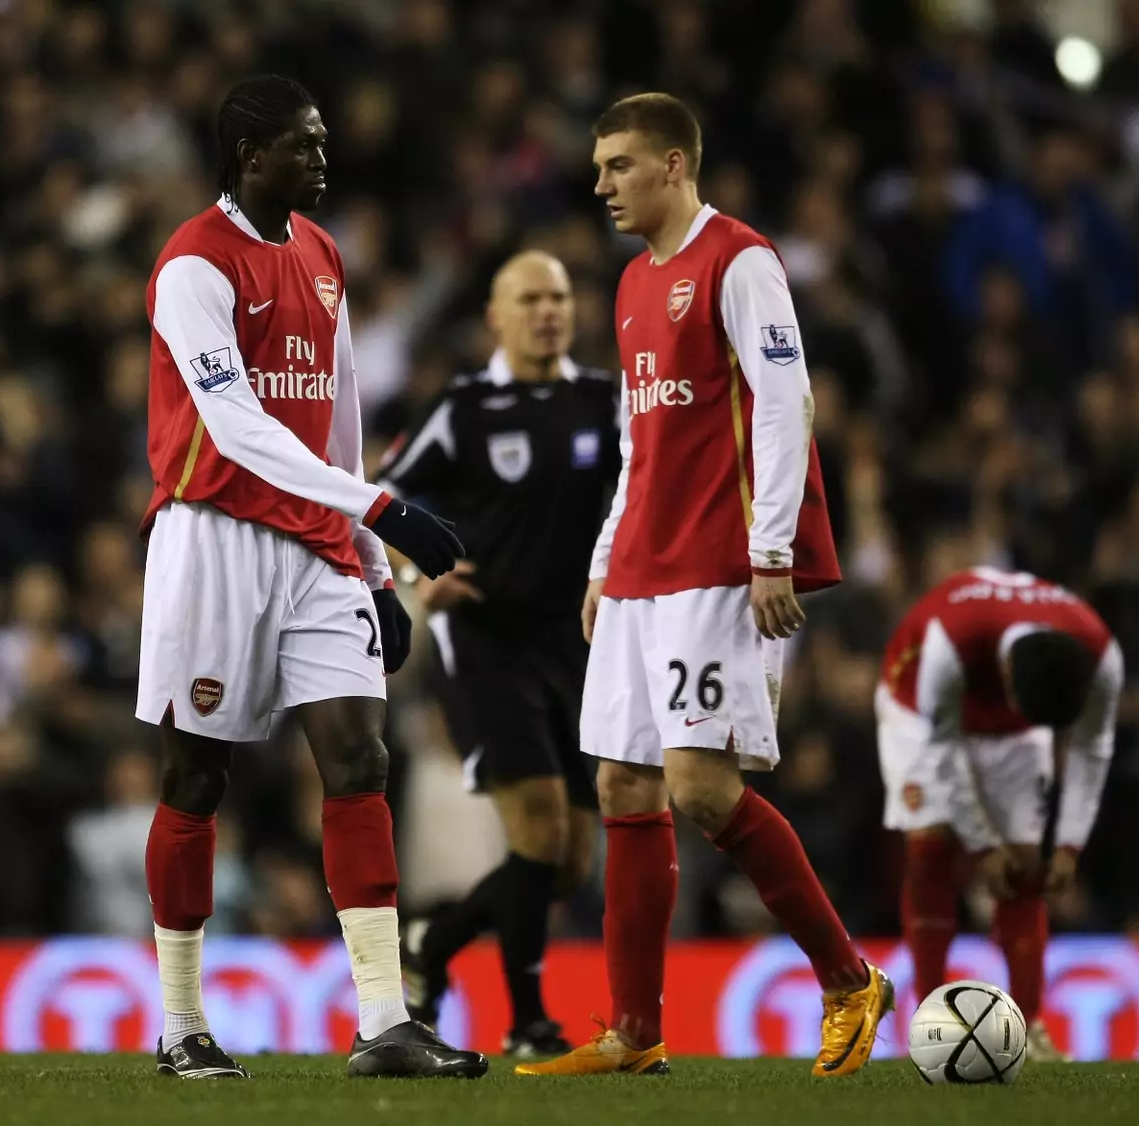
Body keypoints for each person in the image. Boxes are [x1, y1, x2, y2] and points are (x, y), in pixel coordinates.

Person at [518, 93, 892, 1080]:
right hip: (644, 561)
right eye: (598, 167)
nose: (600, 184)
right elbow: (641, 443)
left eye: (619, 166)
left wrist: (772, 549)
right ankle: (634, 1033)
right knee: (622, 783)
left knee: (700, 786)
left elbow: (785, 399)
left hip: (717, 559)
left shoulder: (742, 261)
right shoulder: (637, 284)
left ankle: (850, 976)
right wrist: (606, 557)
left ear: (675, 165)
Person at [137, 74, 483, 1080]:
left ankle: (384, 1017)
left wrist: (371, 561)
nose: (324, 162)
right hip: (215, 536)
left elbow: (336, 416)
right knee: (197, 775)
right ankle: (181, 1023)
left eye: (325, 143)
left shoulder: (325, 256)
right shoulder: (191, 266)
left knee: (360, 760)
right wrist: (384, 509)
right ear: (252, 157)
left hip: (319, 548)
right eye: (306, 146)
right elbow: (234, 427)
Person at [378, 250, 618, 1058]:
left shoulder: (603, 401)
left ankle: (433, 947)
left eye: (558, 296)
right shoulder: (467, 406)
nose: (548, 310)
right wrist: (415, 574)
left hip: (579, 644)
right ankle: (527, 1021)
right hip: (486, 639)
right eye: (529, 298)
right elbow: (384, 493)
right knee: (540, 828)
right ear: (496, 316)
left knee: (568, 861)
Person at [876, 565, 1123, 1062]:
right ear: (1007, 676)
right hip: (917, 710)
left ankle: (1030, 1026)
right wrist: (984, 844)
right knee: (932, 845)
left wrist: (1070, 845)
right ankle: (929, 1019)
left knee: (1026, 867)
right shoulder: (950, 638)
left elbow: (1092, 748)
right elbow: (942, 747)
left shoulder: (1101, 656)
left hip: (1008, 731)